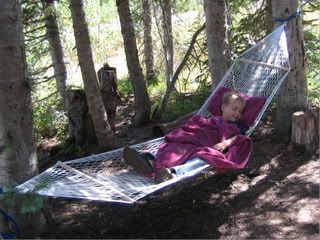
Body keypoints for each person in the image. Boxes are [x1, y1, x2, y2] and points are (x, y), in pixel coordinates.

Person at [123, 91, 250, 183]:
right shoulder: (213, 119)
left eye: (240, 111)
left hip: (208, 147)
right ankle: (149, 159)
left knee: (203, 158)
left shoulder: (237, 125)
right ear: (223, 107)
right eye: (234, 109)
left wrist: (224, 144)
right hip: (193, 140)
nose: (238, 113)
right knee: (174, 146)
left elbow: (238, 138)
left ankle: (172, 172)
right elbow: (198, 128)